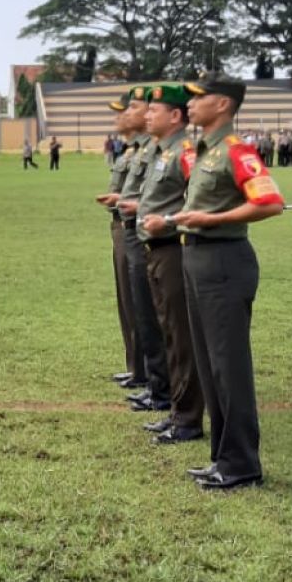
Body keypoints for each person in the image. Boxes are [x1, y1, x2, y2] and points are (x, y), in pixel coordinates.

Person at [173, 75, 284, 490]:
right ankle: (222, 456)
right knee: (209, 364)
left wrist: (210, 220)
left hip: (223, 260)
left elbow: (269, 203)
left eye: (199, 98)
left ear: (222, 105)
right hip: (197, 258)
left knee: (229, 367)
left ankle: (241, 464)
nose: (191, 105)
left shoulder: (238, 151)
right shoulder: (206, 151)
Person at [136, 84, 204, 445]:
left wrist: (170, 223)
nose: (148, 115)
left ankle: (189, 418)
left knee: (182, 336)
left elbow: (203, 201)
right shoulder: (163, 152)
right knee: (169, 333)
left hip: (175, 249)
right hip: (156, 250)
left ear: (175, 116)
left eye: (154, 110)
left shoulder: (187, 152)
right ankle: (178, 411)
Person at [113, 87, 171, 413]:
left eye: (133, 107)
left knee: (151, 312)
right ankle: (145, 374)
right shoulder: (137, 150)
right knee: (135, 307)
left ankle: (158, 383)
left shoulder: (158, 152)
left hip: (151, 234)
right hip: (131, 227)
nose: (126, 114)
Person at [95, 94, 143, 390]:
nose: (119, 117)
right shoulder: (129, 152)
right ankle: (136, 366)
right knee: (128, 303)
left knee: (140, 304)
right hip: (120, 224)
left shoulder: (147, 153)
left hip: (136, 228)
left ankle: (147, 372)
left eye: (126, 111)